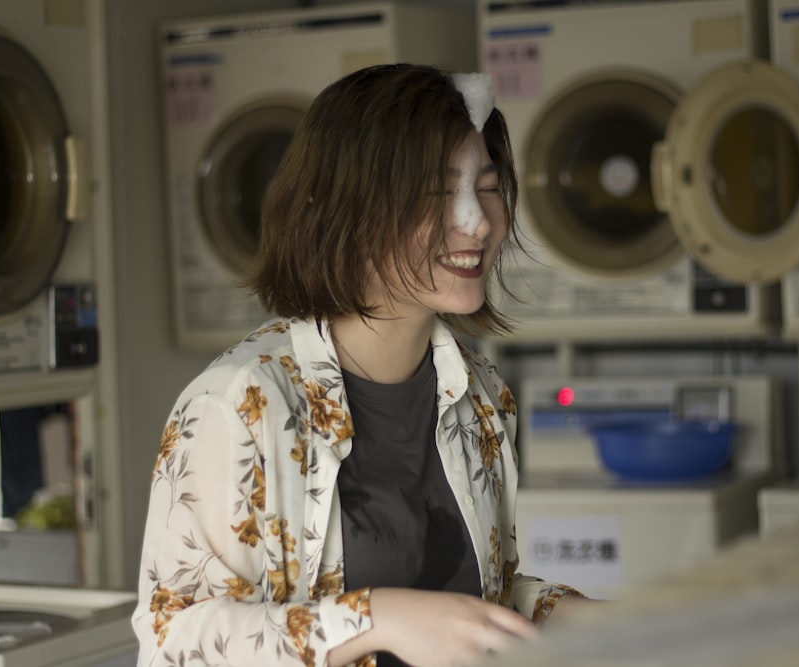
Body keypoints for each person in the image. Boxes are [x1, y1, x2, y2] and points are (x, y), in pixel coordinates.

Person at [132, 63, 587, 667]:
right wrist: (374, 618)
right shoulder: (238, 404)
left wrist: (569, 611)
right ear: (352, 211)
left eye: (485, 185)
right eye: (435, 192)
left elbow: (473, 599)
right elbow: (175, 640)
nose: (476, 221)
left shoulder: (480, 393)